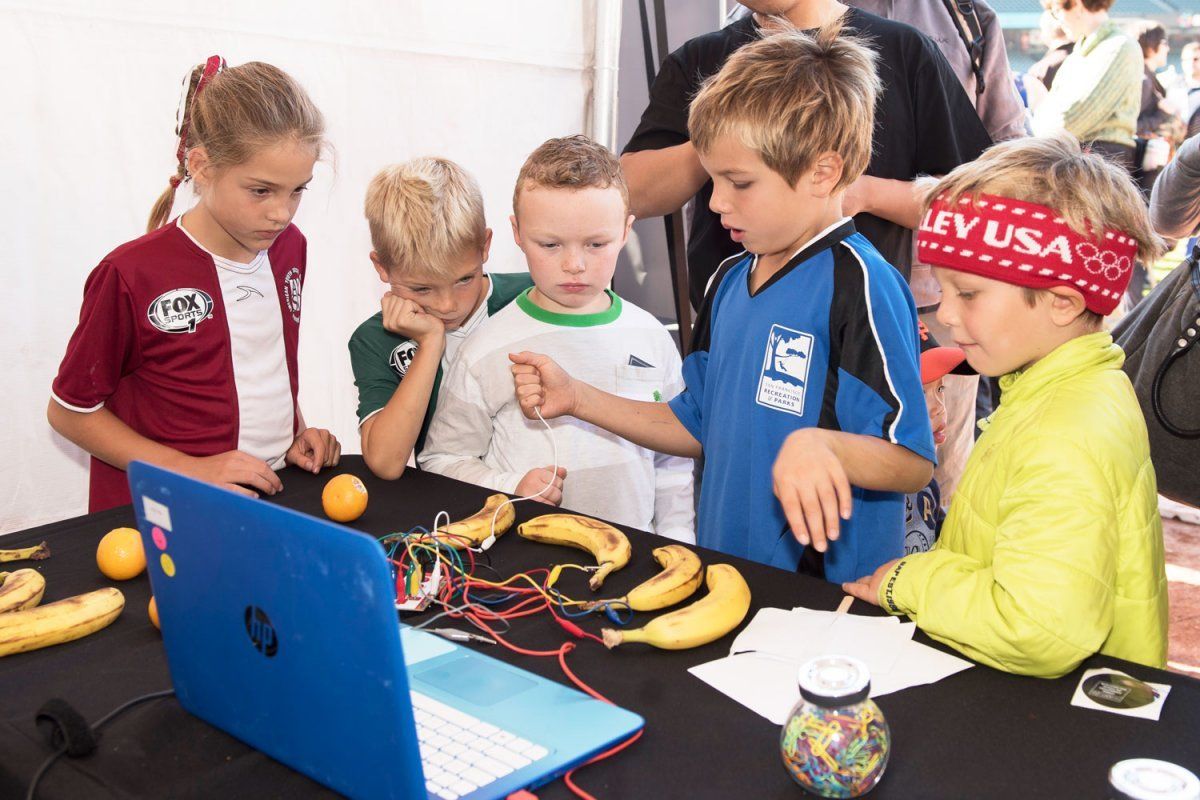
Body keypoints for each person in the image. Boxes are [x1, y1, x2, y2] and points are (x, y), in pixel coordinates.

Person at [511, 31, 934, 583]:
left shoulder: (862, 285)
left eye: (740, 182)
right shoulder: (729, 278)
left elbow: (911, 461)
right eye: (712, 180)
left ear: (823, 173)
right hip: (727, 575)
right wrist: (577, 397)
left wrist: (821, 446)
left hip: (826, 597)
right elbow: (697, 423)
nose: (715, 202)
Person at [844, 136, 1169, 678]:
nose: (946, 314)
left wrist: (911, 580)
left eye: (968, 293)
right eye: (944, 290)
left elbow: (1039, 628)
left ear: (1062, 302)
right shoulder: (1065, 391)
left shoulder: (1064, 435)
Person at [48, 57, 340, 512]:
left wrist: (294, 434)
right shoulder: (131, 273)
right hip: (164, 514)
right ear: (201, 167)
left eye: (298, 189)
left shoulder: (290, 247)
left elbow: (259, 363)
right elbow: (69, 412)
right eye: (261, 190)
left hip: (267, 502)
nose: (281, 213)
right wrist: (191, 468)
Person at [621, 0, 992, 310]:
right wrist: (724, 132)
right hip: (730, 317)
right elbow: (632, 192)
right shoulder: (699, 59)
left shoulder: (905, 51)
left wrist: (866, 194)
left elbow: (979, 208)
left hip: (854, 320)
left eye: (740, 182)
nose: (720, 201)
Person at [419, 136, 694, 541]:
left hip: (636, 554)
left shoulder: (652, 337)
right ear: (517, 233)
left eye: (596, 244)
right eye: (550, 244)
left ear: (625, 231)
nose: (574, 264)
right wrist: (510, 485)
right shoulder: (487, 347)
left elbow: (673, 460)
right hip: (522, 556)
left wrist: (678, 538)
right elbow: (441, 458)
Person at [347, 158, 532, 480]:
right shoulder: (376, 339)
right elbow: (386, 463)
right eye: (422, 288)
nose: (447, 305)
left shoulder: (532, 296)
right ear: (381, 267)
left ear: (485, 245)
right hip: (454, 501)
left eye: (464, 279)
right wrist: (431, 343)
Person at [1031, 0, 1142, 171]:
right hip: (1079, 158)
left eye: (1056, 11)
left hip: (1101, 163)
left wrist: (1038, 124)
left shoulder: (1119, 46)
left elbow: (1071, 121)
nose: (1057, 20)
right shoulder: (1081, 52)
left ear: (1076, 5)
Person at [904, 324, 968, 556]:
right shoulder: (868, 494)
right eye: (921, 393)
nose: (939, 408)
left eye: (941, 389)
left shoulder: (927, 483)